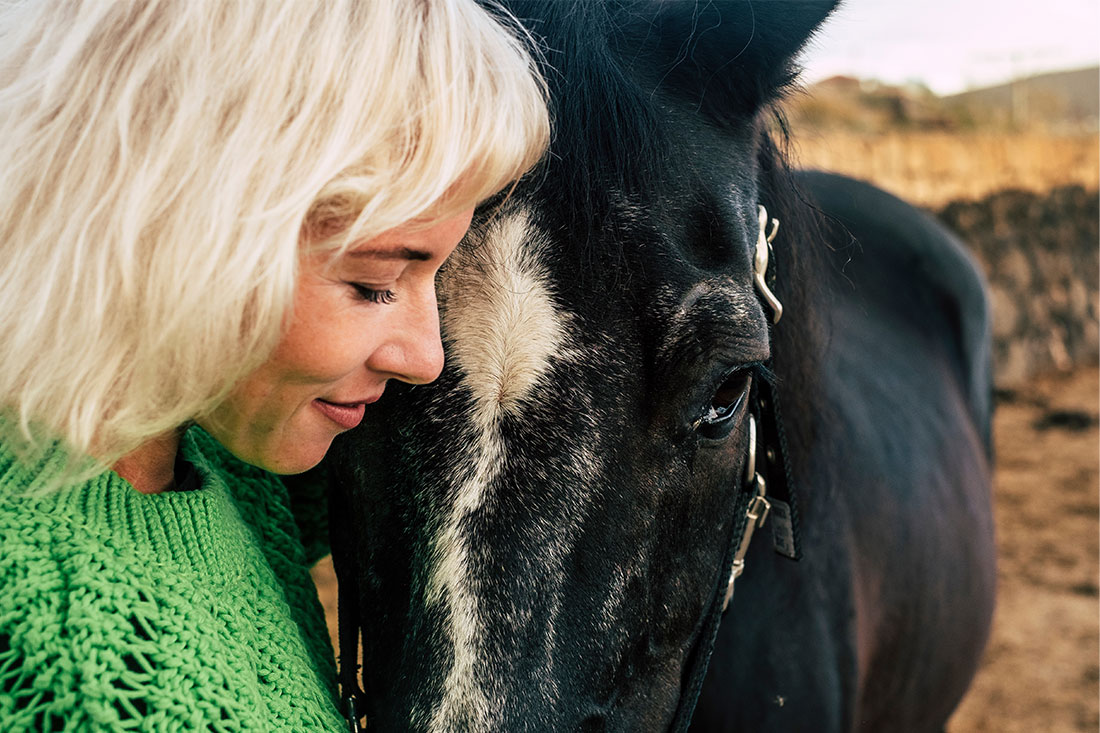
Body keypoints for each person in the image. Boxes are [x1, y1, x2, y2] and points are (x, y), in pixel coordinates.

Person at [0, 0, 548, 729]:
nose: (425, 357)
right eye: (375, 283)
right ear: (171, 221)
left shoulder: (206, 451)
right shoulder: (71, 675)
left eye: (435, 277)